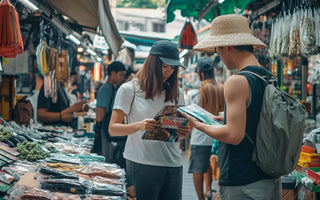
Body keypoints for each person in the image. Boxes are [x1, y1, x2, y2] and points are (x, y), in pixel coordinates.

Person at [182, 14, 281, 200]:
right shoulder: (268, 77)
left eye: (218, 50)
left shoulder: (237, 81)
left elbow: (234, 136)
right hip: (269, 180)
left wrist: (201, 125)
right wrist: (225, 120)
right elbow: (255, 121)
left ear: (226, 47)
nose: (218, 55)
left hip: (243, 182)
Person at [109, 40, 191, 200]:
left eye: (172, 68)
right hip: (141, 163)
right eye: (164, 66)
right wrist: (140, 125)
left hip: (173, 164)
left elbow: (179, 132)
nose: (168, 72)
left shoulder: (178, 93)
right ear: (152, 63)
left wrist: (184, 132)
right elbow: (113, 128)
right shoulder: (129, 89)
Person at [187, 57, 224, 200]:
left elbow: (190, 117)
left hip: (200, 137)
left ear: (199, 72)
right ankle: (209, 192)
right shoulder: (222, 90)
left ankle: (201, 198)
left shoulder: (194, 94)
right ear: (213, 71)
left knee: (198, 168)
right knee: (213, 165)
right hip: (219, 137)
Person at [94, 61, 127, 167]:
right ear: (113, 73)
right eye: (121, 74)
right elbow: (99, 116)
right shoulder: (106, 88)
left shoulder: (112, 88)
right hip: (105, 132)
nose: (123, 78)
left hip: (107, 132)